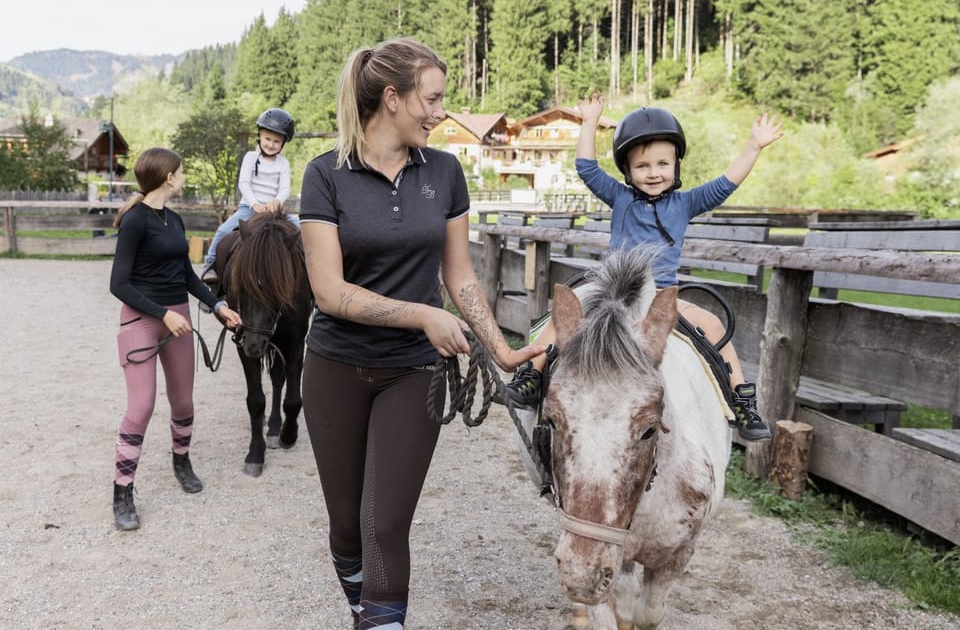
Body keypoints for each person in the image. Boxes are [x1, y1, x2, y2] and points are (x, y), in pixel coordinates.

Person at [298, 37, 543, 630]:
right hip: (334, 367)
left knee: (384, 523)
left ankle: (381, 621)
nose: (440, 111)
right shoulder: (325, 175)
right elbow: (329, 292)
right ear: (393, 98)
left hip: (413, 371)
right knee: (347, 527)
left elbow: (460, 276)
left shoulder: (445, 172)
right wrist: (423, 315)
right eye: (432, 99)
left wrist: (501, 350)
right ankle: (365, 614)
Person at [503, 94, 783, 441]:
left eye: (663, 164)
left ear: (676, 164)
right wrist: (589, 124)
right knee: (563, 316)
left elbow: (726, 183)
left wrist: (753, 147)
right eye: (643, 166)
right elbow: (587, 169)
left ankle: (742, 402)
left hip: (659, 295)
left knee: (712, 324)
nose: (654, 173)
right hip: (612, 290)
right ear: (628, 171)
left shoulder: (686, 202)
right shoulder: (620, 197)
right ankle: (530, 375)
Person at [109, 147, 242, 531]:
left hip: (178, 317)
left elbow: (186, 276)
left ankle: (181, 462)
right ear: (169, 177)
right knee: (141, 406)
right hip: (143, 320)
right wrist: (163, 313)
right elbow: (118, 284)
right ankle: (122, 492)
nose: (183, 177)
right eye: (181, 172)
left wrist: (217, 306)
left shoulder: (174, 219)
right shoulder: (135, 220)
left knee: (183, 401)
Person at [201, 107, 299, 279]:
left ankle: (308, 268)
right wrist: (255, 204)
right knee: (223, 230)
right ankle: (210, 265)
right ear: (260, 135)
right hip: (249, 208)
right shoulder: (250, 157)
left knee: (300, 228)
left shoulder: (283, 163)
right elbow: (244, 183)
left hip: (273, 211)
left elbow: (285, 188)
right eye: (267, 139)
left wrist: (276, 202)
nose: (271, 144)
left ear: (283, 143)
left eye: (276, 141)